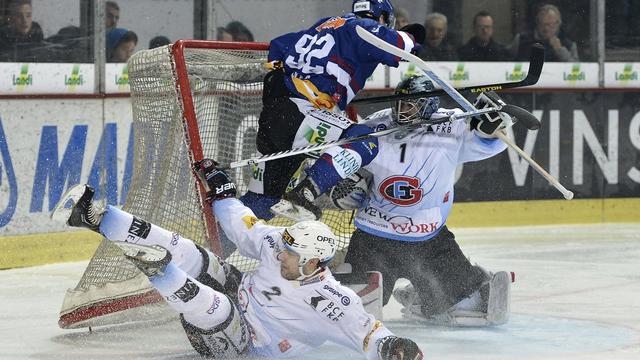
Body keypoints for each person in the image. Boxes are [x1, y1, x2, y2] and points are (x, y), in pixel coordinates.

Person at [53, 162, 424, 359]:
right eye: (285, 246)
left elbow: (371, 334)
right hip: (238, 291)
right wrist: (224, 192)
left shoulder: (331, 301)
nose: (282, 253)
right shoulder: (281, 243)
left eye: (292, 255)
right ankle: (98, 218)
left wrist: (394, 348)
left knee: (215, 308)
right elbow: (243, 224)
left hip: (244, 343)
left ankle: (159, 271)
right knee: (192, 253)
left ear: (314, 265)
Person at [284, 75, 513, 326]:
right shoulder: (376, 125)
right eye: (400, 104)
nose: (401, 111)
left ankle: (427, 297)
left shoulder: (452, 124)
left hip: (429, 239)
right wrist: (345, 186)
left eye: (410, 105)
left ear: (427, 106)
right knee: (350, 310)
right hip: (375, 237)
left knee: (469, 308)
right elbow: (347, 161)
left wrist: (492, 125)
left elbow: (493, 142)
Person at [238, 0, 424, 222]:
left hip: (275, 116)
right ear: (382, 17)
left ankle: (215, 247)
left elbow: (278, 47)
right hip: (300, 113)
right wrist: (413, 35)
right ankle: (303, 194)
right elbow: (403, 46)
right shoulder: (363, 27)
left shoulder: (323, 25)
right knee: (364, 140)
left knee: (260, 203)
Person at [512, 4, 579, 62]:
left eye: (551, 25)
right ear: (537, 22)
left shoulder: (569, 45)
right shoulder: (522, 40)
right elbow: (506, 59)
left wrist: (560, 50)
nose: (546, 29)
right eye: (543, 24)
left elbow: (577, 69)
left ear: (558, 24)